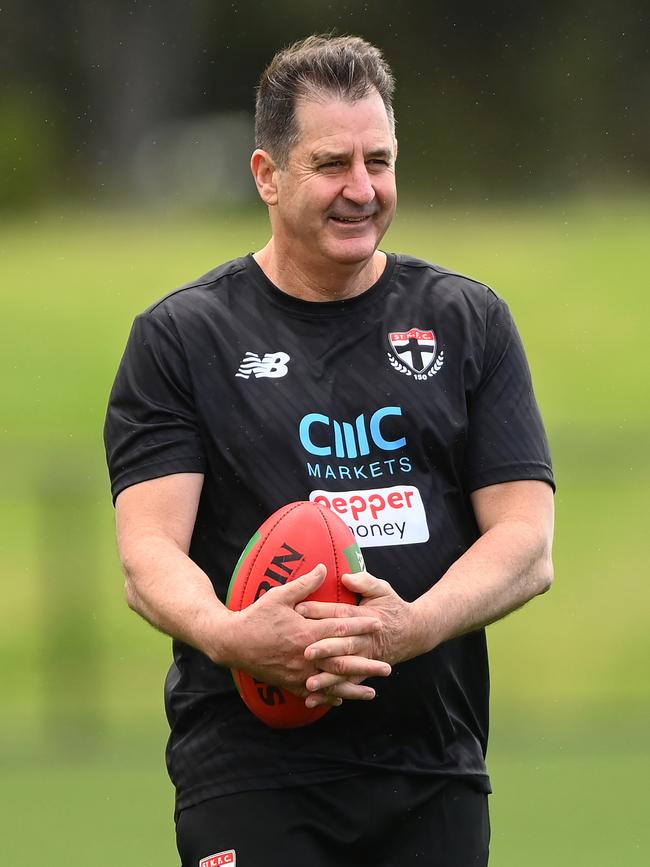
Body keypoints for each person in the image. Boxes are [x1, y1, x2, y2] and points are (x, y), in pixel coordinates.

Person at [104, 34, 554, 867]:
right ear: (267, 175)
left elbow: (527, 544)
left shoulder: (467, 321)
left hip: (430, 768)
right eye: (331, 164)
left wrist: (412, 627)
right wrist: (234, 634)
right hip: (248, 774)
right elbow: (148, 556)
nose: (361, 189)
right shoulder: (183, 338)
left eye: (377, 161)